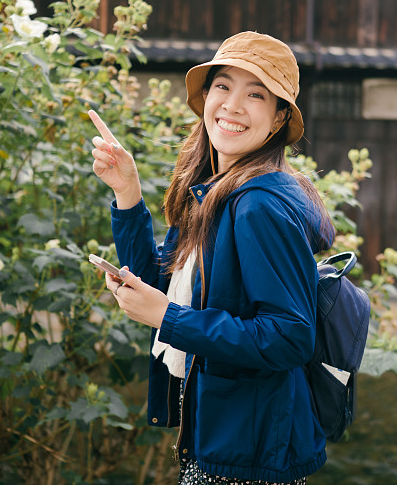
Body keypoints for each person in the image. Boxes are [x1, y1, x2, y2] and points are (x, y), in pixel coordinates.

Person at [89, 31, 335, 484]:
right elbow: (160, 288)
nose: (232, 105)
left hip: (252, 455)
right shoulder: (211, 191)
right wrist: (127, 192)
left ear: (280, 118)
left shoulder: (259, 206)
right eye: (222, 86)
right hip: (217, 435)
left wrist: (168, 317)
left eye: (255, 94)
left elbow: (289, 337)